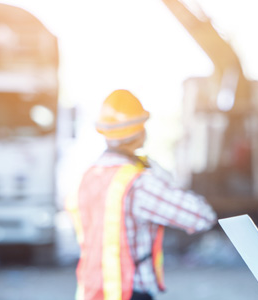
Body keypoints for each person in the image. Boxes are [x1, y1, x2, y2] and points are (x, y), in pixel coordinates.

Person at [66, 89, 217, 300]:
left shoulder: (87, 178)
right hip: (129, 292)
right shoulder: (138, 183)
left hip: (90, 291)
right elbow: (202, 216)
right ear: (140, 132)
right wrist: (160, 174)